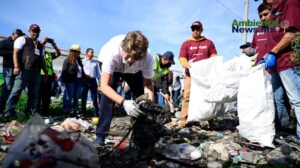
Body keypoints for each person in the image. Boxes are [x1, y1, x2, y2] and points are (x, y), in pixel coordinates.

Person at [95, 31, 154, 145]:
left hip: (133, 72)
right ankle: (100, 135)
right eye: (128, 55)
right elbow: (104, 86)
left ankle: (143, 133)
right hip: (115, 67)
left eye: (135, 57)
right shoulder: (111, 52)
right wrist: (123, 102)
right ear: (123, 47)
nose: (130, 60)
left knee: (142, 96)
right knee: (107, 99)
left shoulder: (147, 58)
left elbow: (147, 84)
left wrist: (149, 105)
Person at [262, 0, 300, 140]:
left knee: (296, 100)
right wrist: (267, 55)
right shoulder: (274, 10)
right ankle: (278, 130)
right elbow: (274, 38)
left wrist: (272, 52)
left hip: (287, 61)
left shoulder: (290, 3)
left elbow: (293, 31)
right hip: (274, 65)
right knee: (276, 99)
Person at [251, 3, 290, 131]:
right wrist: (246, 55)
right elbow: (253, 48)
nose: (262, 18)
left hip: (278, 65)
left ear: (272, 13)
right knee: (263, 98)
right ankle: (268, 126)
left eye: (265, 14)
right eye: (260, 16)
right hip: (261, 68)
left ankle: (278, 127)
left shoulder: (279, 25)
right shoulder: (258, 31)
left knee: (278, 98)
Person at [178, 21, 218, 127]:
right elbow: (182, 58)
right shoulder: (186, 43)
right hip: (190, 75)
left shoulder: (208, 43)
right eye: (193, 28)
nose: (195, 30)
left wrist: (215, 61)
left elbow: (214, 55)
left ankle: (211, 120)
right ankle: (183, 119)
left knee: (208, 96)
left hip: (205, 75)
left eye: (197, 28)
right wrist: (186, 64)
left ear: (201, 30)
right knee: (187, 95)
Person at [4, 24, 48, 118]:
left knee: (33, 94)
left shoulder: (40, 45)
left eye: (37, 31)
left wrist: (46, 72)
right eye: (33, 31)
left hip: (36, 72)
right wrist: (16, 66)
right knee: (16, 91)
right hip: (24, 70)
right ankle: (8, 111)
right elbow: (15, 53)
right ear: (29, 31)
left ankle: (29, 112)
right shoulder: (22, 39)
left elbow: (42, 59)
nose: (35, 33)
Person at [0, 29, 25, 115]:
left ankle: (9, 110)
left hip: (18, 69)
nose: (20, 37)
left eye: (21, 35)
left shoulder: (19, 43)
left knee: (14, 90)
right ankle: (1, 109)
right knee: (7, 88)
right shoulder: (5, 42)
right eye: (18, 35)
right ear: (13, 34)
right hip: (9, 68)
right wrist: (13, 53)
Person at [37, 39, 61, 117]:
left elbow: (58, 54)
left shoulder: (48, 54)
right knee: (38, 95)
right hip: (40, 75)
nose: (44, 46)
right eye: (42, 45)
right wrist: (45, 41)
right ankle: (36, 112)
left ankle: (45, 112)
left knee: (47, 96)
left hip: (49, 77)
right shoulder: (37, 52)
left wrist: (55, 47)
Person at [60, 44, 85, 117]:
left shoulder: (79, 61)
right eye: (78, 52)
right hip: (70, 81)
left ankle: (74, 111)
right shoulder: (67, 60)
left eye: (79, 52)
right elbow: (64, 71)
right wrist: (63, 82)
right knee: (68, 96)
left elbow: (82, 72)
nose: (79, 53)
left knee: (76, 97)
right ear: (73, 52)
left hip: (78, 81)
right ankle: (66, 111)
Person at [81, 48, 101, 117]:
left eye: (93, 52)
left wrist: (100, 83)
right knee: (84, 97)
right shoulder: (82, 61)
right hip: (85, 81)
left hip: (93, 80)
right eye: (91, 52)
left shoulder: (95, 62)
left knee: (94, 97)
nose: (93, 54)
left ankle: (96, 112)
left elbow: (98, 73)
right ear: (87, 53)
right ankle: (83, 112)